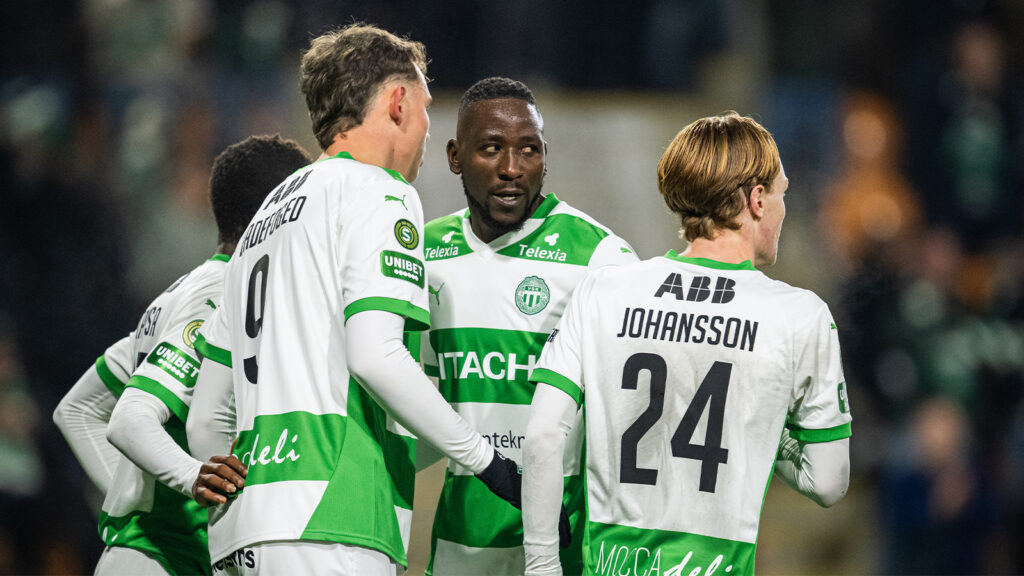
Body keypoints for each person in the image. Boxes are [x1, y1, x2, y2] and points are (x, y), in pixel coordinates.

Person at [187, 25, 523, 576]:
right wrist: (488, 462)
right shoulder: (377, 191)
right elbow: (375, 356)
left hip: (242, 529)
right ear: (396, 102)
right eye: (425, 106)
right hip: (332, 518)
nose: (426, 127)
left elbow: (205, 419)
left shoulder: (263, 221)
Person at [522, 112, 852, 575]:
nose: (783, 208)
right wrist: (766, 427)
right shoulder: (799, 315)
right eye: (782, 193)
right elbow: (830, 481)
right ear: (757, 200)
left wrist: (541, 566)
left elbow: (540, 437)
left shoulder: (603, 290)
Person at [53, 134, 313, 575]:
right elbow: (129, 417)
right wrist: (190, 481)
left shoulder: (186, 290)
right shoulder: (218, 298)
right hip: (163, 560)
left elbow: (78, 409)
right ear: (275, 212)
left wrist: (135, 496)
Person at [418, 77, 637, 575]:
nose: (512, 169)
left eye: (529, 151)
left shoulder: (600, 256)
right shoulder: (426, 254)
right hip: (461, 541)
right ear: (455, 156)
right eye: (491, 149)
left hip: (566, 542)